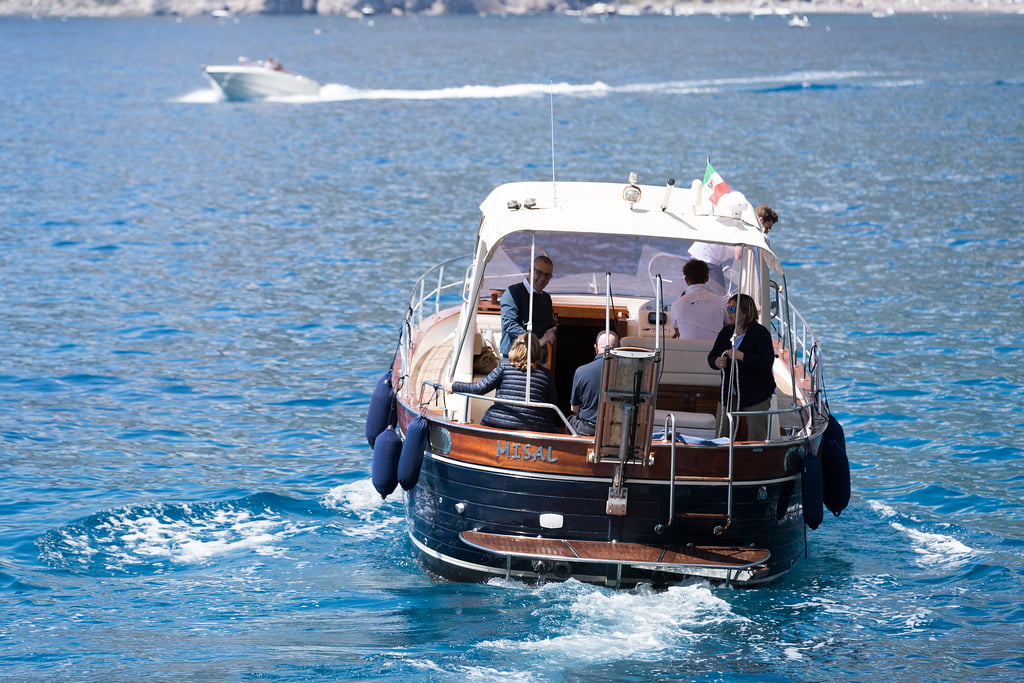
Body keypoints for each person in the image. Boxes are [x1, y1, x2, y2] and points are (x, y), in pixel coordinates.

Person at [446, 333, 558, 433]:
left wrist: (454, 386)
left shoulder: (504, 367)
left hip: (498, 422)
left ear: (515, 348)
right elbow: (552, 406)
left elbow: (479, 388)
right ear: (538, 352)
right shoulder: (546, 374)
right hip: (535, 427)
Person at [708, 293, 776, 441]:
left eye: (733, 309)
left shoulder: (760, 333)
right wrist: (717, 362)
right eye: (727, 309)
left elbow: (766, 362)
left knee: (756, 437)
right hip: (729, 392)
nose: (729, 313)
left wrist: (742, 356)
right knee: (721, 436)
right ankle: (722, 461)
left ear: (745, 312)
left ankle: (754, 461)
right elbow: (712, 356)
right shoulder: (726, 332)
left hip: (756, 394)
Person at [499, 255, 556, 358]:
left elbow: (548, 326)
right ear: (530, 270)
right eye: (539, 273)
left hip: (537, 359)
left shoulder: (546, 298)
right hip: (514, 359)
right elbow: (509, 325)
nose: (543, 278)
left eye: (547, 275)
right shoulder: (513, 292)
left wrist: (551, 330)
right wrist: (538, 342)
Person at [568, 331, 620, 436]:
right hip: (616, 430)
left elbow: (574, 408)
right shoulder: (626, 373)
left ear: (596, 348)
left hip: (588, 429)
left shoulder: (581, 371)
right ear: (618, 348)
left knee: (570, 420)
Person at [670, 259, 728, 341]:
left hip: (688, 351)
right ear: (707, 278)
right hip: (716, 352)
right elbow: (730, 325)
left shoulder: (676, 305)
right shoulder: (722, 302)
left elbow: (678, 332)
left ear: (686, 280)